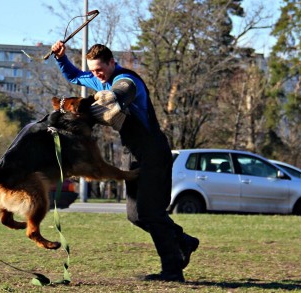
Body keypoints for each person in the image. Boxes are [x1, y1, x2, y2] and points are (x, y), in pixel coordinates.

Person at [51, 41, 199, 282]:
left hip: (152, 151)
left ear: (112, 62)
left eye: (100, 70)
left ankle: (172, 270)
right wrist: (61, 58)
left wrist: (108, 97)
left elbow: (123, 91)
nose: (97, 75)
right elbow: (76, 76)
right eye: (94, 71)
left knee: (151, 212)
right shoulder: (99, 78)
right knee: (135, 214)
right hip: (132, 153)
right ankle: (184, 241)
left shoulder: (127, 79)